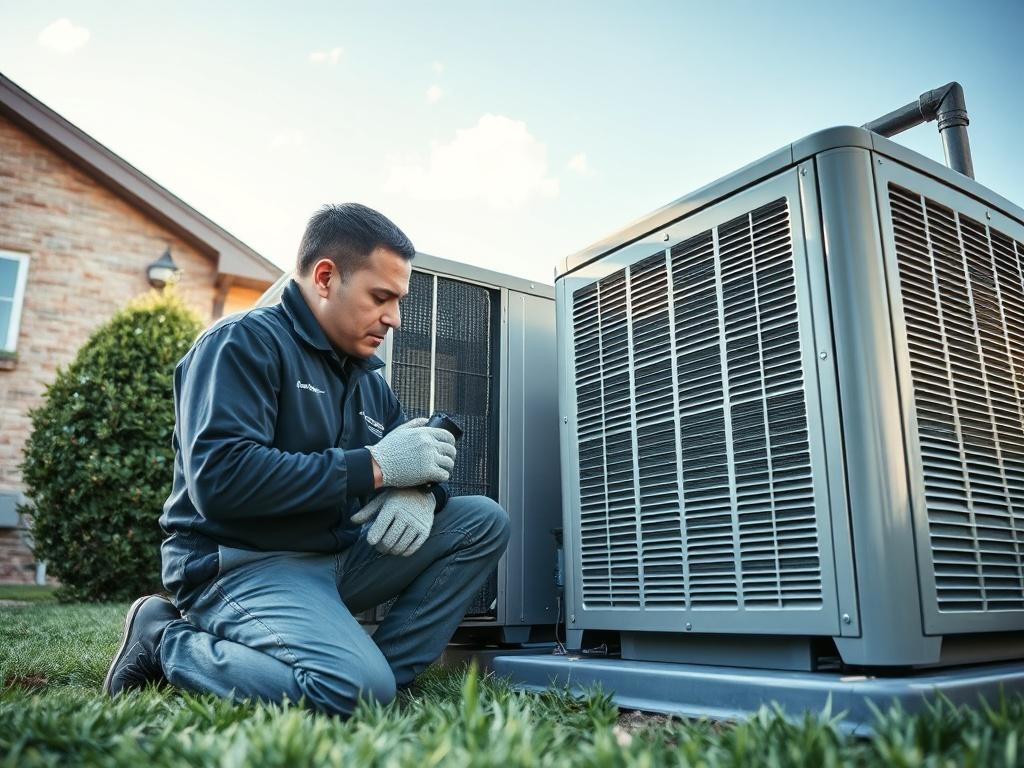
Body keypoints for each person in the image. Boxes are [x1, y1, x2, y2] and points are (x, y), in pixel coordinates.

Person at [102, 203, 511, 716]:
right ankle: (165, 639)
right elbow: (222, 479)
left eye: (399, 301)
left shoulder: (368, 380)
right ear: (324, 277)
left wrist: (421, 491)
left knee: (483, 521)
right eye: (380, 297)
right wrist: (378, 468)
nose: (395, 318)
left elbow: (419, 453)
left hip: (332, 560)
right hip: (239, 563)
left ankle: (379, 677)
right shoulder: (241, 344)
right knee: (358, 690)